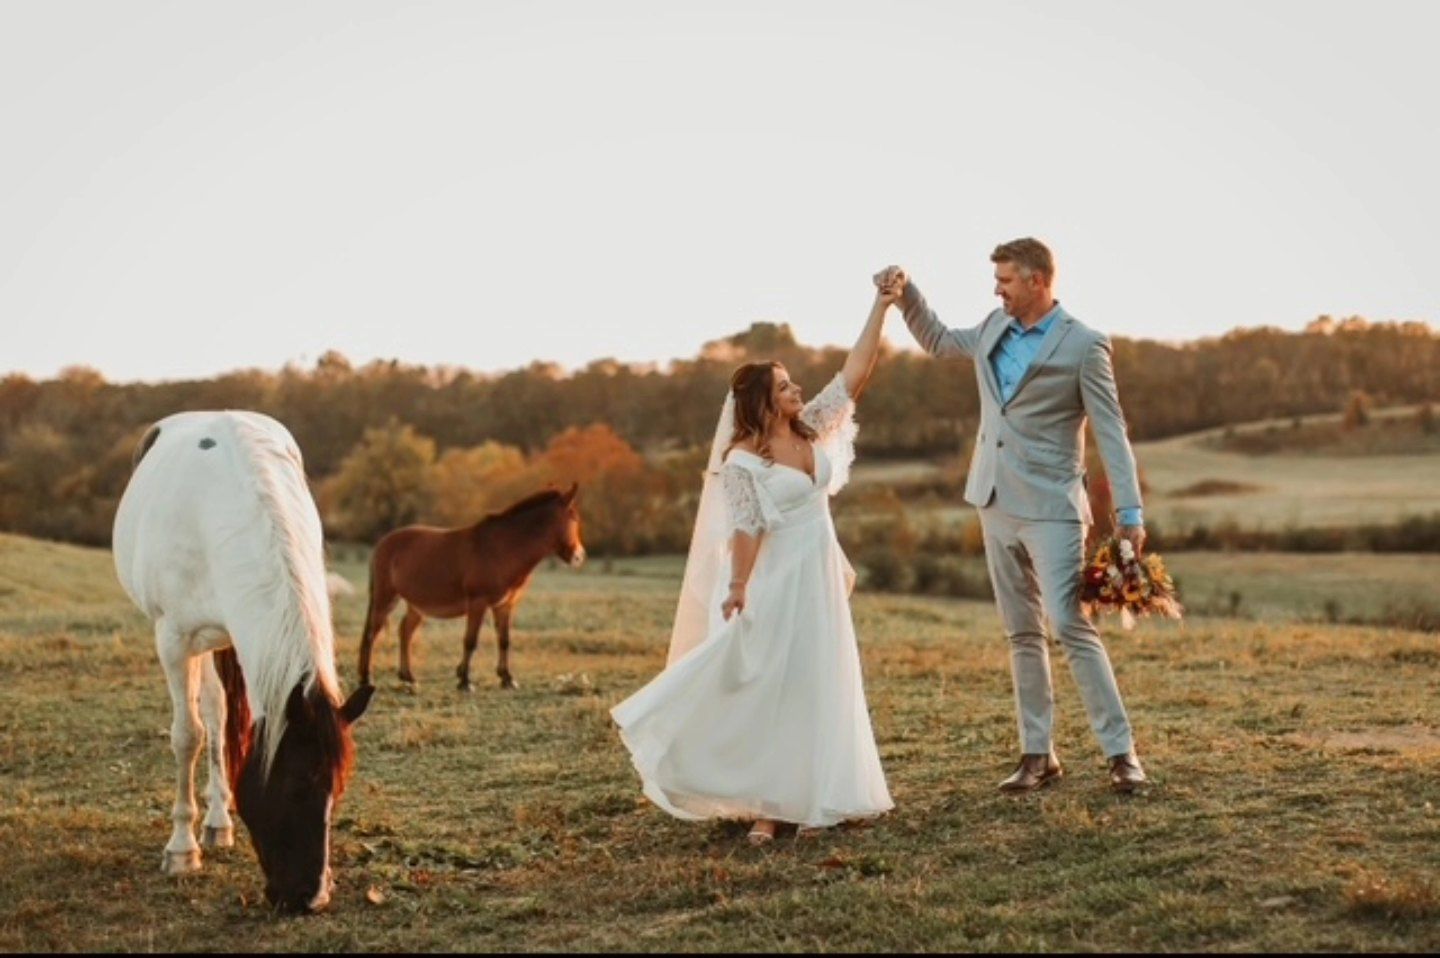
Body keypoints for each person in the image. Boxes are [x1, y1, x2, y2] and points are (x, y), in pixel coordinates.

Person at [611, 285, 896, 844]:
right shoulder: (741, 460)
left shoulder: (813, 425)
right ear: (764, 403)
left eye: (793, 384)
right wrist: (739, 585)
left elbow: (855, 373)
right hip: (776, 579)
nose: (797, 390)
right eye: (785, 387)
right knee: (772, 683)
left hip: (818, 574)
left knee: (821, 679)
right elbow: (747, 527)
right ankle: (769, 804)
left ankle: (821, 796)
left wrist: (881, 306)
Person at [874, 238, 1149, 793]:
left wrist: (1129, 511)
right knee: (1022, 631)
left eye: (1004, 280)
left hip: (1052, 508)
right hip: (993, 500)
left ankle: (1122, 755)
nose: (996, 289)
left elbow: (1111, 431)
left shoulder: (1085, 345)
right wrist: (905, 295)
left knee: (1070, 625)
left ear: (1036, 281)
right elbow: (938, 339)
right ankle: (1037, 756)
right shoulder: (993, 327)